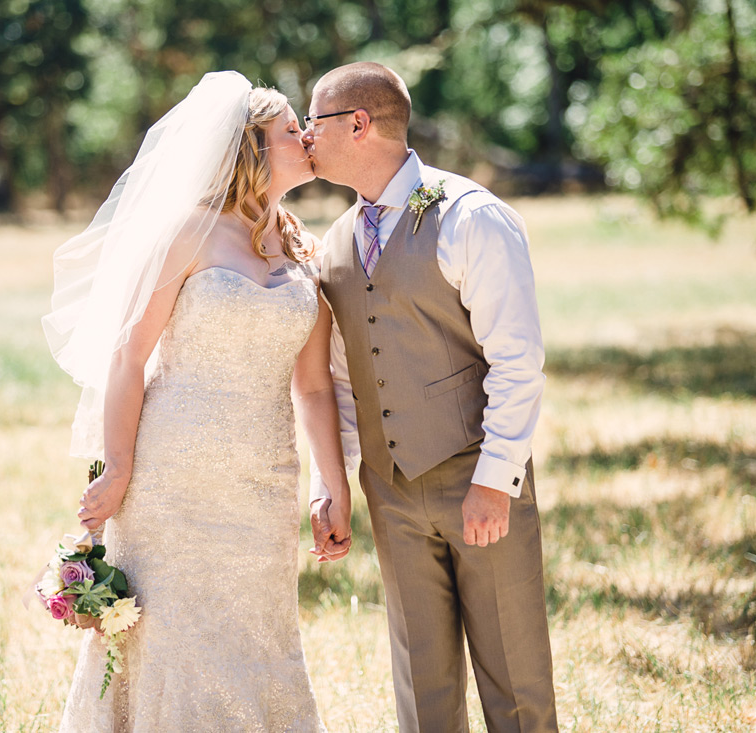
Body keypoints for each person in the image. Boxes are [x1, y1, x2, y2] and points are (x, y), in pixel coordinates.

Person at [42, 71, 353, 731]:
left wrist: (333, 482)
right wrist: (118, 466)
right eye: (290, 130)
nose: (305, 137)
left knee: (255, 635)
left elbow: (315, 385)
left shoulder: (302, 247)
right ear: (251, 148)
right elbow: (128, 353)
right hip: (170, 479)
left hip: (263, 482)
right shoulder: (188, 231)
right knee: (171, 639)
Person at [303, 62, 559, 732]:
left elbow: (518, 359)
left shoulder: (471, 218)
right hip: (391, 490)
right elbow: (342, 377)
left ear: (359, 124)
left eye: (315, 120)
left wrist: (496, 478)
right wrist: (335, 483)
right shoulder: (335, 244)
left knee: (516, 681)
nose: (305, 136)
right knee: (421, 687)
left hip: (476, 478)